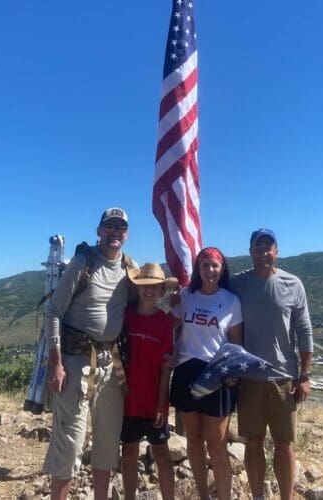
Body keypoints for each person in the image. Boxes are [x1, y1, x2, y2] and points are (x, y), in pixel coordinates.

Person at [42, 207, 135, 500]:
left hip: (111, 365)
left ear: (126, 234)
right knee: (69, 443)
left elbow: (147, 299)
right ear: (99, 231)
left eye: (120, 227)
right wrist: (55, 363)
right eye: (109, 226)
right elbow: (54, 311)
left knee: (107, 445)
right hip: (75, 360)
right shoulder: (84, 262)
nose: (115, 231)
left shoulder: (129, 269)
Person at [230, 228, 313, 500]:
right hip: (250, 378)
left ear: (276, 251)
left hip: (283, 378)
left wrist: (305, 375)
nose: (263, 253)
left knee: (285, 443)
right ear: (251, 252)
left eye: (268, 247)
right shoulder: (237, 284)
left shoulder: (293, 284)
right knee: (252, 442)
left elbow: (304, 330)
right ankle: (257, 496)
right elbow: (212, 300)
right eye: (258, 247)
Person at [169, 247, 243, 500]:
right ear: (198, 269)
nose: (210, 270)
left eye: (214, 265)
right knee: (193, 440)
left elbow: (236, 344)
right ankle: (202, 495)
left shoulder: (231, 300)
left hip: (217, 375)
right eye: (205, 265)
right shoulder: (187, 296)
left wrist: (233, 373)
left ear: (222, 269)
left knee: (217, 446)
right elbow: (168, 325)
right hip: (187, 372)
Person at [121, 263, 178, 500]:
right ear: (137, 288)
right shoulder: (125, 316)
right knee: (129, 450)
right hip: (126, 398)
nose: (149, 290)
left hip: (153, 398)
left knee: (161, 453)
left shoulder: (164, 322)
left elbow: (166, 367)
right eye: (144, 286)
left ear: (162, 291)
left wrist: (161, 405)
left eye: (154, 287)